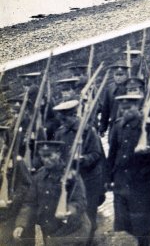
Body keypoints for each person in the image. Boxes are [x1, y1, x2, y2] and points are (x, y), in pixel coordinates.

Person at [107, 93, 150, 246]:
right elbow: (112, 154)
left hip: (141, 181)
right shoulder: (118, 126)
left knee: (143, 222)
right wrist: (108, 178)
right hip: (122, 180)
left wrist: (148, 151)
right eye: (122, 109)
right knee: (126, 220)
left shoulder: (147, 126)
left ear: (137, 107)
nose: (125, 112)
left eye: (128, 108)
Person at [14, 141, 92, 246]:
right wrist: (21, 225)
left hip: (71, 231)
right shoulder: (39, 177)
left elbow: (80, 201)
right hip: (50, 231)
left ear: (58, 154)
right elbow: (30, 203)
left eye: (49, 155)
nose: (46, 160)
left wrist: (69, 210)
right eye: (43, 156)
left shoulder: (71, 176)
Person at [52, 100, 106, 245]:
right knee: (74, 214)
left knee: (89, 214)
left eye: (67, 118)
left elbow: (97, 154)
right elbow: (58, 154)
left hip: (88, 178)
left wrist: (82, 159)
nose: (64, 122)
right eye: (62, 119)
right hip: (70, 180)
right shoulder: (60, 133)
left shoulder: (88, 131)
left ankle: (90, 241)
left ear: (74, 116)